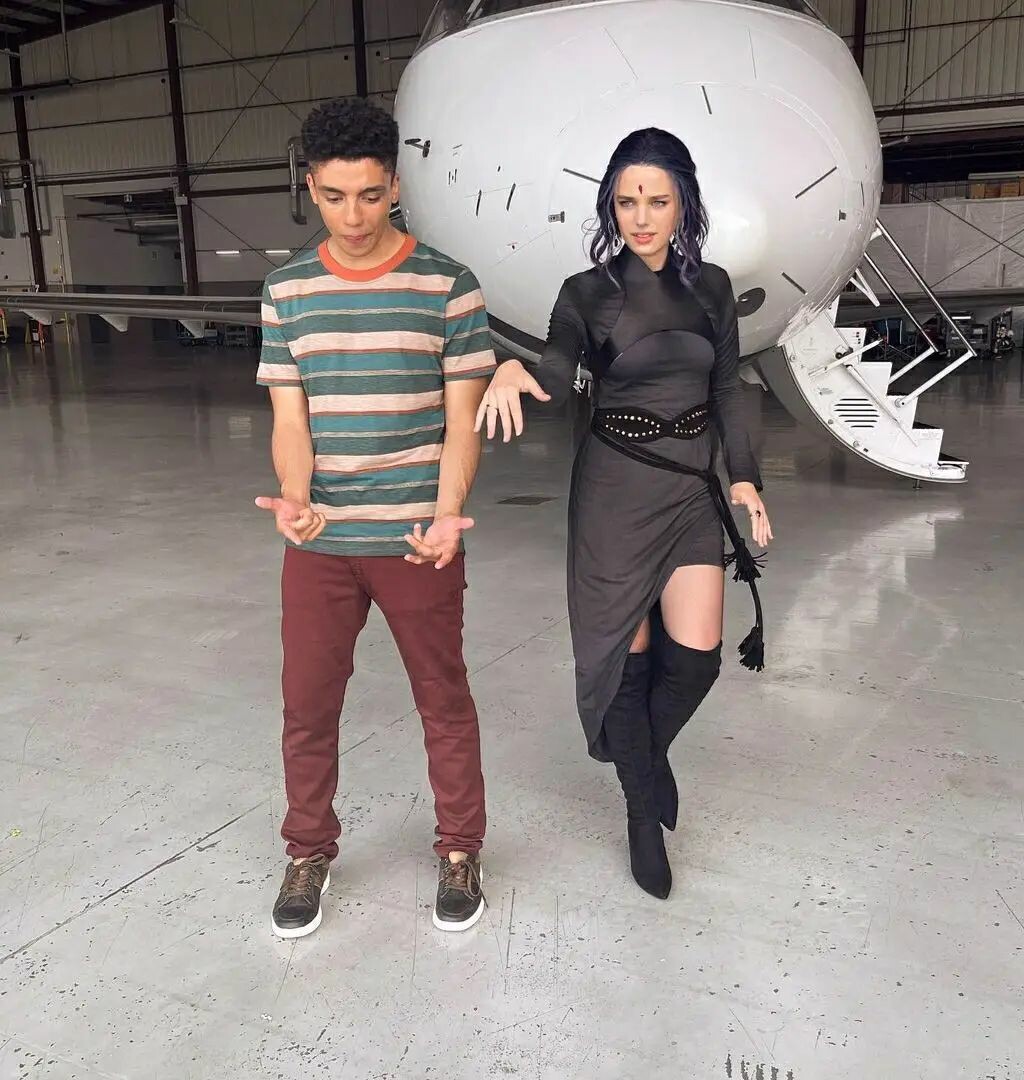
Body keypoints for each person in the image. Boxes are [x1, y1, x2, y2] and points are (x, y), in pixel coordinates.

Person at [475, 128, 772, 899]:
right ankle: (643, 813)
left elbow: (728, 389)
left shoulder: (712, 288)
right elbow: (553, 373)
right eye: (627, 201)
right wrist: (509, 370)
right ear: (611, 203)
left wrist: (744, 479)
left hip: (690, 489)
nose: (641, 217)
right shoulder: (586, 292)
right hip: (614, 492)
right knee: (627, 665)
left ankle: (642, 755)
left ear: (683, 205)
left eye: (657, 201)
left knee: (697, 661)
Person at [255, 97, 495, 937]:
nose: (352, 216)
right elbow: (292, 419)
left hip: (416, 538)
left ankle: (460, 847)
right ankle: (307, 850)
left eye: (368, 195)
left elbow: (461, 421)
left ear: (394, 185)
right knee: (307, 705)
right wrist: (295, 498)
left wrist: (447, 514)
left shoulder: (449, 286)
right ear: (310, 188)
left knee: (442, 698)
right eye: (332, 197)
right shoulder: (286, 290)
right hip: (321, 543)